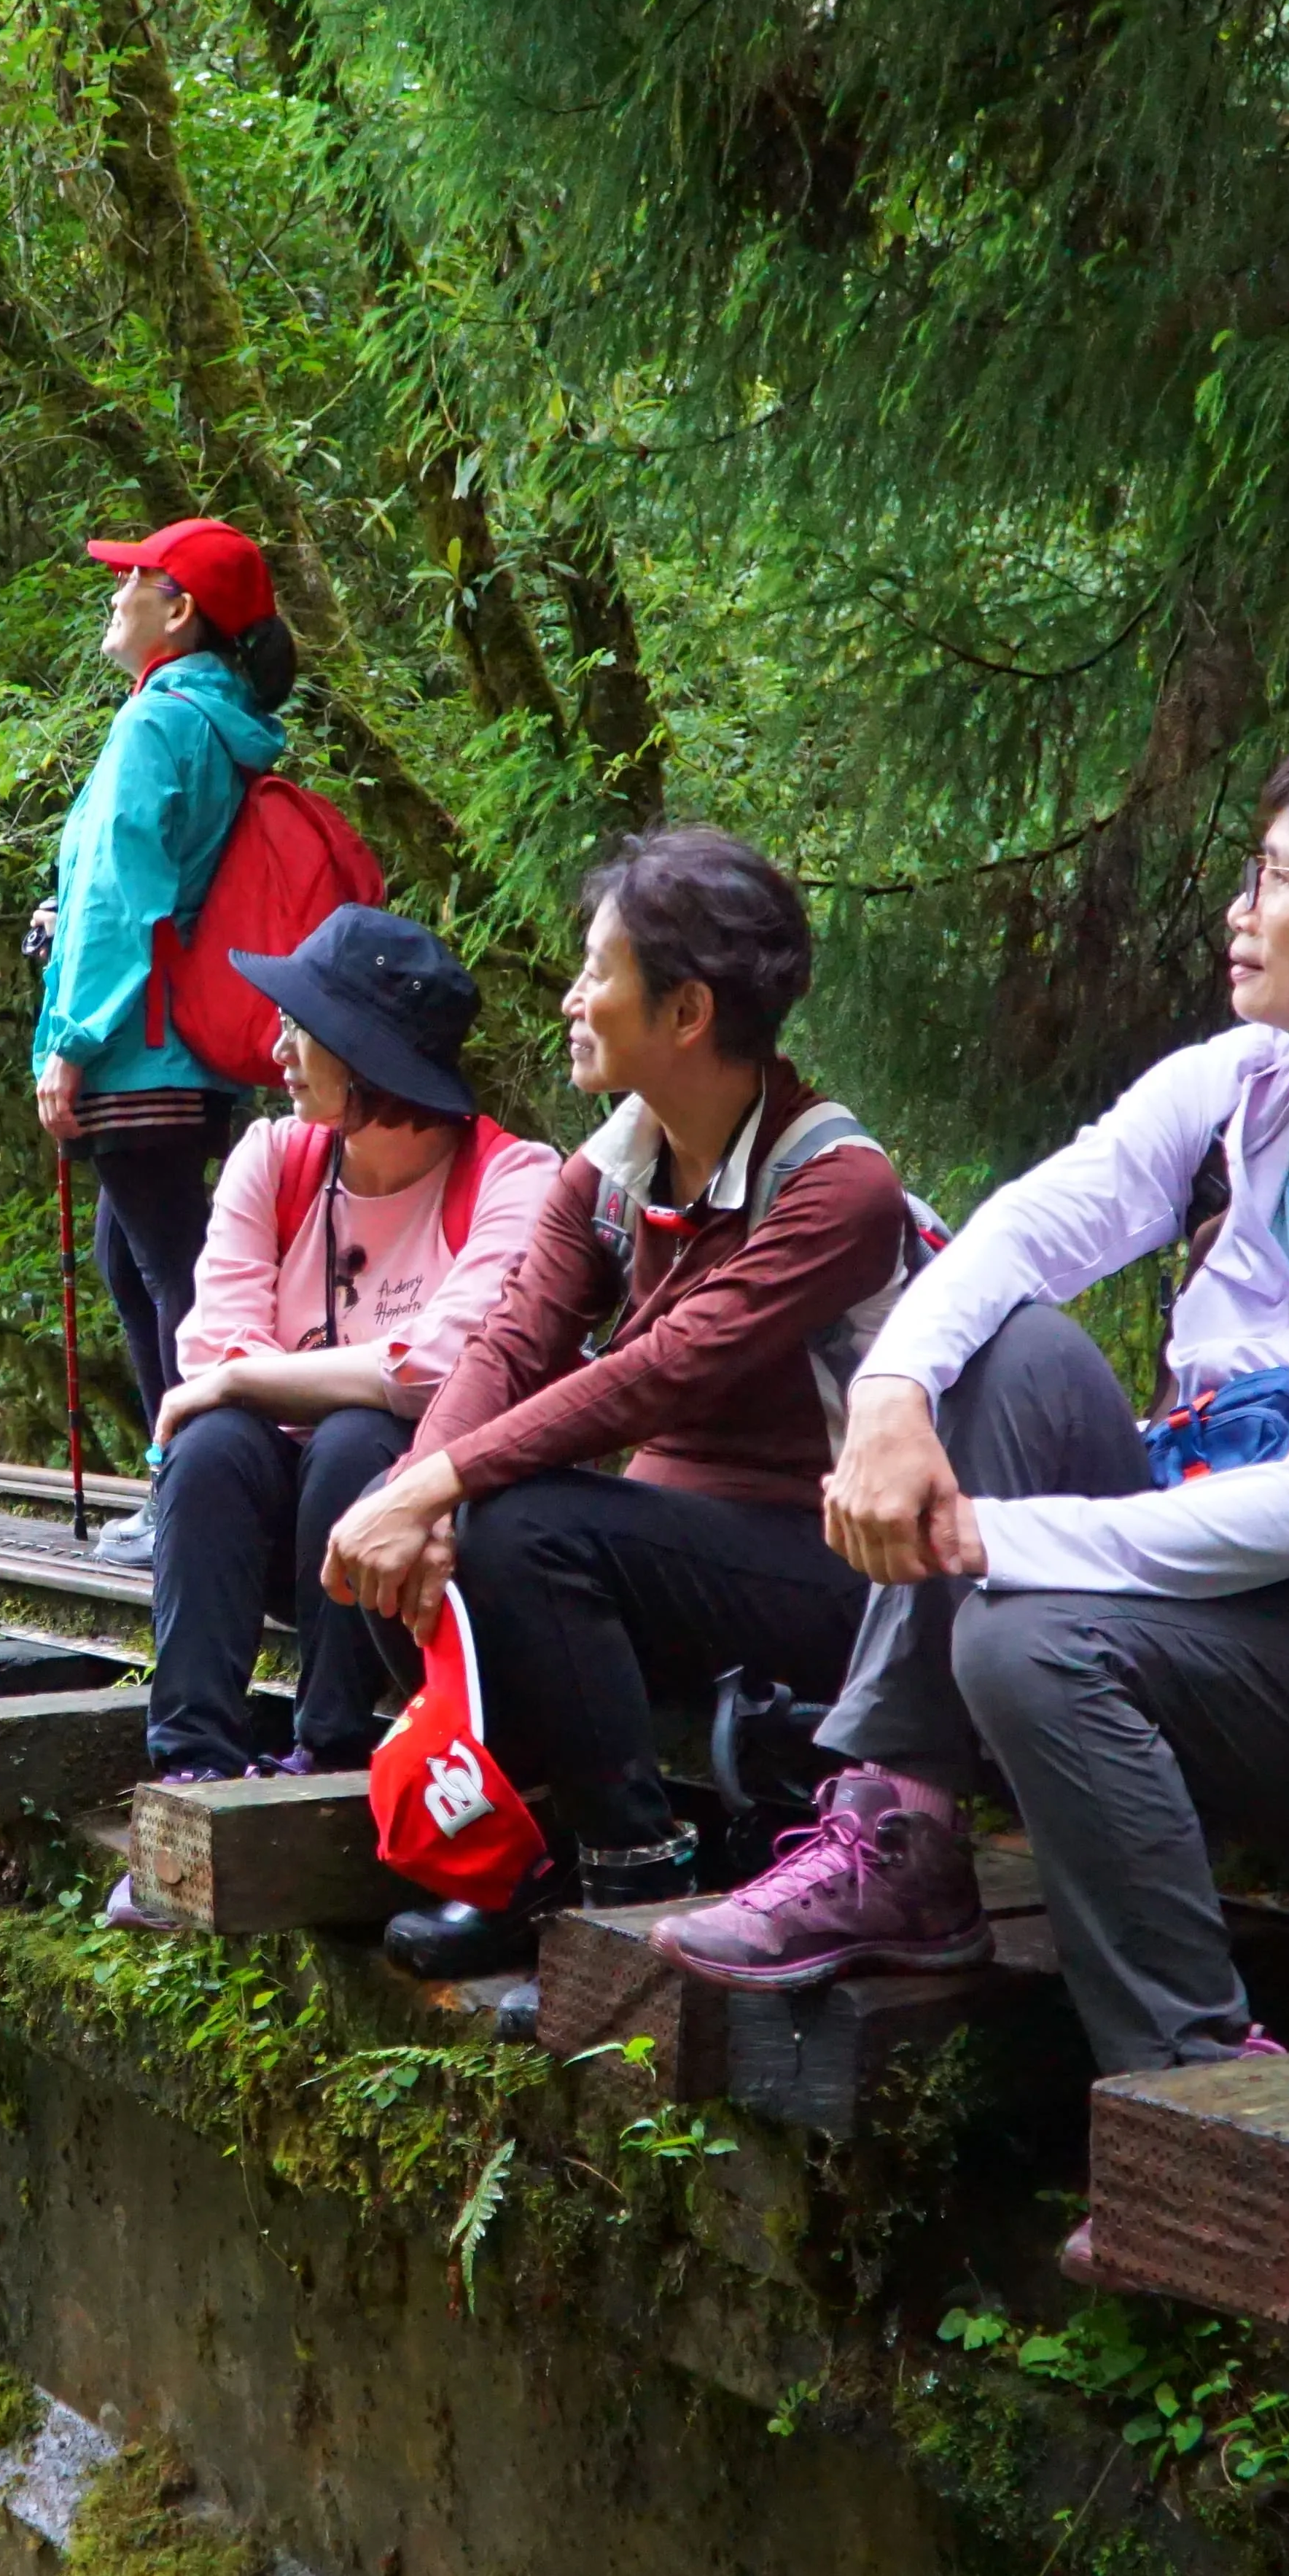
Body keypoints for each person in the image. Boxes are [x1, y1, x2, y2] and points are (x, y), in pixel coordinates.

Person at [652, 719, 1289, 2279]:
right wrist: (892, 1395)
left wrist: (996, 1539)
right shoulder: (1244, 1090)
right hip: (1217, 1611)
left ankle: (1195, 2101)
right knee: (1006, 1348)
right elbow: (1022, 1233)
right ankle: (900, 1828)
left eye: (1278, 878)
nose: (1240, 910)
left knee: (1030, 1642)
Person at [320, 829, 929, 1978]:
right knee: (390, 1512)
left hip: (837, 1572)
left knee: (520, 1524)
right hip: (691, 1558)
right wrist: (414, 1493)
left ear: (686, 1012)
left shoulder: (838, 1187)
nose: (571, 999)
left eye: (597, 973)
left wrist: (440, 1483)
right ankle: (526, 1862)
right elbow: (513, 1342)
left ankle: (634, 1885)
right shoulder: (614, 1169)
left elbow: (662, 1371)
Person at [138, 904, 562, 1809]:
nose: (278, 1049)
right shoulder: (274, 1157)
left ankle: (328, 1750)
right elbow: (212, 1345)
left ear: (367, 1052)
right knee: (211, 1445)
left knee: (355, 1439)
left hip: (413, 1529)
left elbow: (444, 1366)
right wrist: (245, 1378)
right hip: (273, 1522)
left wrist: (250, 1378)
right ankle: (191, 1765)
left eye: (302, 1028)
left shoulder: (513, 1177)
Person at [36, 515, 300, 1568]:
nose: (115, 596)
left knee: (177, 1273)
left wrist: (70, 1038)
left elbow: (121, 890)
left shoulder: (155, 722)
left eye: (133, 580)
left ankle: (204, 1503)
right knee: (136, 1254)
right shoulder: (215, 721)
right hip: (187, 1041)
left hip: (135, 1044)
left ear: (179, 610)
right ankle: (183, 1489)